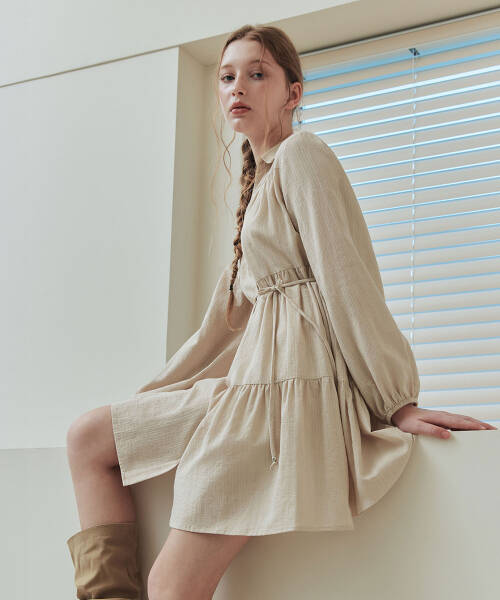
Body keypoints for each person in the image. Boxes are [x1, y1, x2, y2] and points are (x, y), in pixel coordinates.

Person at [65, 24, 497, 600]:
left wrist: (398, 402)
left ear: (293, 93)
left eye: (257, 74)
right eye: (227, 77)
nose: (237, 87)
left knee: (170, 585)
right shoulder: (257, 184)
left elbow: (348, 279)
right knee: (88, 439)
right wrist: (155, 396)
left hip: (286, 394)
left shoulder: (303, 154)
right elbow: (222, 324)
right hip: (251, 385)